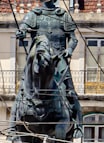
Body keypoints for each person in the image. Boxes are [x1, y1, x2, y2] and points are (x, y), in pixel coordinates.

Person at [14, 0, 83, 135]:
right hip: (38, 59)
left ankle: (78, 125)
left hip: (59, 59)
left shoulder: (63, 15)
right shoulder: (33, 15)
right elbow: (23, 30)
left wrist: (69, 50)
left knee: (70, 91)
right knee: (23, 91)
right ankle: (13, 126)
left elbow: (73, 39)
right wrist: (21, 33)